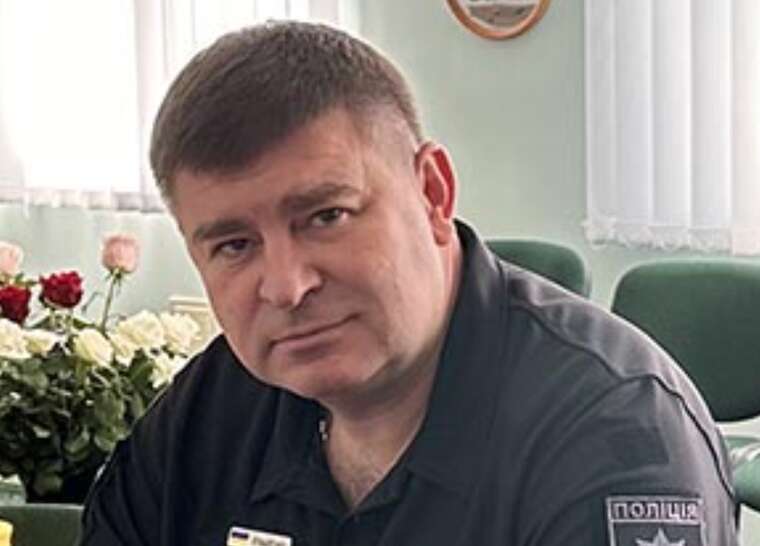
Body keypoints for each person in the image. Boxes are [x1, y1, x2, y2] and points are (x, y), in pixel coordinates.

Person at [80, 21, 738, 546]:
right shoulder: (213, 409)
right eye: (234, 245)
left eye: (326, 216)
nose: (286, 286)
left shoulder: (617, 432)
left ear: (432, 193)